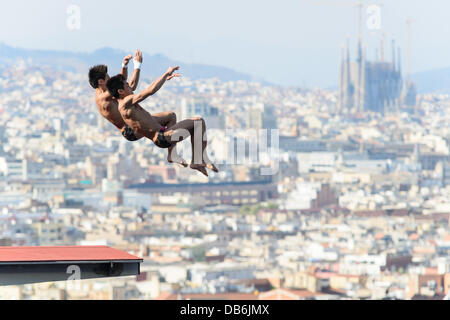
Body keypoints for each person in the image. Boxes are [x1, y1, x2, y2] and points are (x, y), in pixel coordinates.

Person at [106, 67, 218, 177]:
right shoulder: (125, 103)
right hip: (163, 137)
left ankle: (172, 154)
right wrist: (165, 74)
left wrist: (137, 66)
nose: (130, 86)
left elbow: (142, 87)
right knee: (199, 122)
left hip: (161, 134)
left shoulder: (126, 103)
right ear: (120, 91)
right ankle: (197, 161)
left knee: (170, 115)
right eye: (127, 85)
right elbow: (150, 90)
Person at [88, 51, 187, 167]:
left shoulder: (106, 91)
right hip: (130, 130)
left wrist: (125, 66)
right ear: (100, 82)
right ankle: (170, 149)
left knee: (171, 116)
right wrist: (136, 65)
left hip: (132, 124)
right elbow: (125, 82)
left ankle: (171, 153)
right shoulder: (102, 98)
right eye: (107, 77)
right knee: (171, 119)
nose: (110, 78)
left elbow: (130, 86)